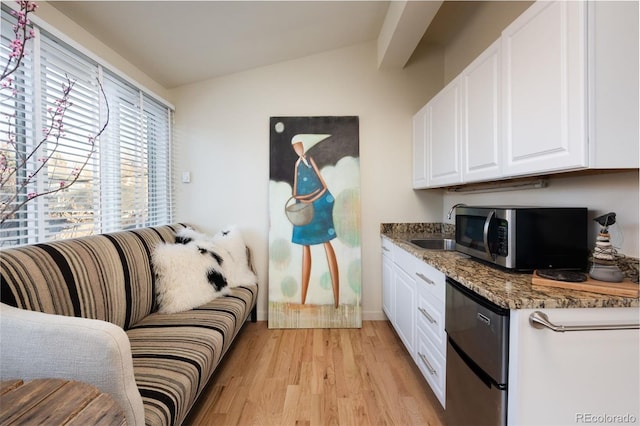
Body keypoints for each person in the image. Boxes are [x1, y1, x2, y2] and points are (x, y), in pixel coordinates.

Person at [290, 134, 339, 308]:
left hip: (319, 204)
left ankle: (336, 300)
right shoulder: (297, 164)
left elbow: (324, 185)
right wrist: (299, 198)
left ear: (304, 145)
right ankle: (302, 301)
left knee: (327, 243)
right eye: (294, 147)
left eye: (299, 146)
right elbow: (296, 189)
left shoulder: (310, 160)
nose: (297, 150)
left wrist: (314, 198)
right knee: (305, 246)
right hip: (304, 206)